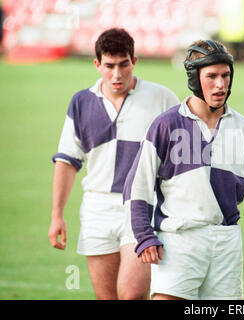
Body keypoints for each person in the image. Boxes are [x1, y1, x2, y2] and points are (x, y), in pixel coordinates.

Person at [123, 39, 244, 300]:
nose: (221, 84)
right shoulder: (165, 125)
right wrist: (143, 235)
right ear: (194, 79)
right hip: (178, 242)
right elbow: (137, 185)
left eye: (226, 75)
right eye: (211, 76)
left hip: (226, 245)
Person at [48, 28, 179, 300]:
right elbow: (67, 162)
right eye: (109, 66)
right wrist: (56, 215)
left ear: (135, 61)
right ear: (97, 65)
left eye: (124, 65)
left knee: (131, 295)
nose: (117, 74)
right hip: (97, 209)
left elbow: (182, 159)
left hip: (142, 207)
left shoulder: (162, 98)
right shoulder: (81, 102)